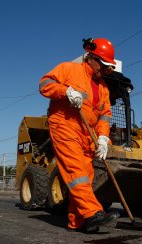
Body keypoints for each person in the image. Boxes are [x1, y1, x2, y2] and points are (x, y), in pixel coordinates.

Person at [39, 38, 119, 233]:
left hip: (87, 134)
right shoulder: (68, 69)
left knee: (85, 178)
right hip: (64, 125)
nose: (105, 70)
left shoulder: (103, 88)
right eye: (103, 65)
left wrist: (102, 137)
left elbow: (105, 115)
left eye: (109, 67)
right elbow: (44, 84)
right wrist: (65, 91)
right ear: (92, 58)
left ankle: (78, 221)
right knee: (76, 172)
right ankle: (93, 212)